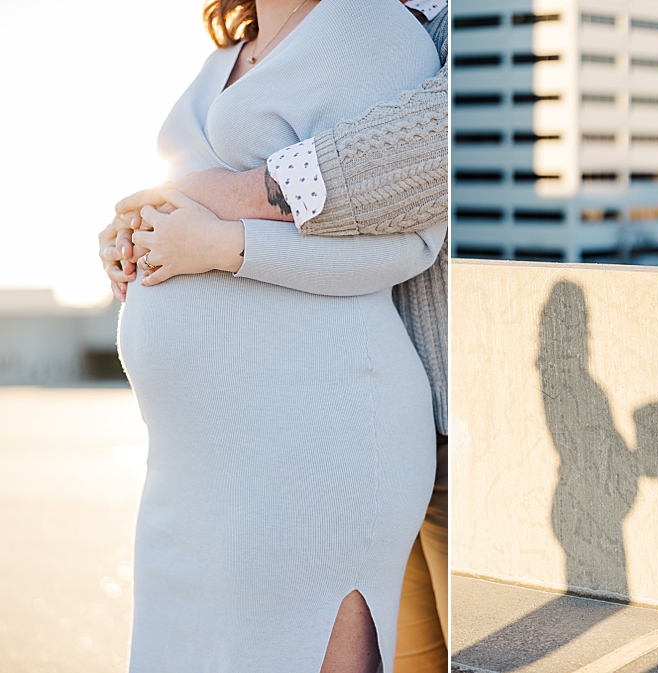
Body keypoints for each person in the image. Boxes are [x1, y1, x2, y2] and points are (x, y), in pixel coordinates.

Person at [99, 1, 446, 671]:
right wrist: (130, 232)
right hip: (194, 467)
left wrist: (226, 246)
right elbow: (185, 191)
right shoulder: (226, 54)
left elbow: (410, 244)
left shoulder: (374, 31)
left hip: (316, 442)